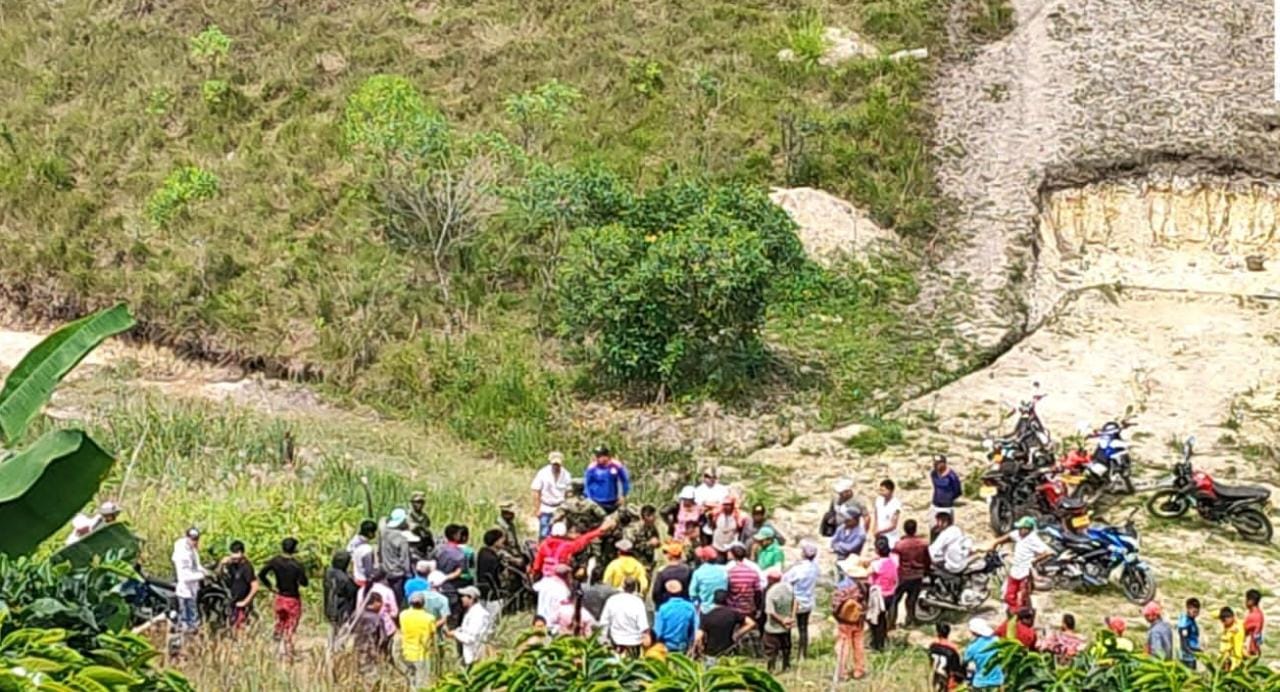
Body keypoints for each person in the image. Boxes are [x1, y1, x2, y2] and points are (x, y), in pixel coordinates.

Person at [258, 537, 309, 658]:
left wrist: (270, 586)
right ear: (295, 549)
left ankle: (275, 649)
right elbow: (304, 583)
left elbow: (261, 574)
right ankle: (288, 651)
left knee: (280, 622)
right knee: (290, 625)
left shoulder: (275, 561)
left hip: (280, 596)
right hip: (293, 598)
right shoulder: (297, 565)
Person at [988, 516, 1052, 611]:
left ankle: (1024, 613)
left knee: (1024, 596)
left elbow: (1048, 552)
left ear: (1028, 529)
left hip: (1025, 572)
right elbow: (1008, 537)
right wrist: (995, 544)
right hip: (1015, 571)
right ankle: (1013, 611)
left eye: (1022, 528)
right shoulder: (1018, 534)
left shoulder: (1033, 539)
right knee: (1009, 596)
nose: (1020, 530)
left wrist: (1034, 561)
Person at [530, 516, 615, 578]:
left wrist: (533, 573)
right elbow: (586, 538)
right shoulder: (569, 546)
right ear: (565, 533)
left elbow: (537, 566)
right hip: (561, 579)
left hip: (546, 579)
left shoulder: (544, 545)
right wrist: (600, 530)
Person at [833, 557, 868, 681]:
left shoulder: (843, 585)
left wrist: (836, 614)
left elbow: (836, 603)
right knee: (858, 643)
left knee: (843, 644)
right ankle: (859, 669)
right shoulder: (864, 585)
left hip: (844, 620)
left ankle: (842, 671)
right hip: (859, 618)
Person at [784, 541, 819, 660]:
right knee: (803, 627)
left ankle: (786, 651)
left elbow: (786, 580)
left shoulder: (798, 569)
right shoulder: (815, 567)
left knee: (788, 625)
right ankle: (802, 653)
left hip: (796, 600)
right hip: (808, 600)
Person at [892, 519, 930, 626]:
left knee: (895, 600)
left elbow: (895, 561)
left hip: (904, 575)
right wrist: (926, 570)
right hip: (918, 575)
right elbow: (927, 559)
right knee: (912, 600)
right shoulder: (923, 543)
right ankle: (910, 621)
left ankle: (891, 623)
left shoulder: (899, 545)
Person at [599, 578, 649, 656]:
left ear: (623, 586)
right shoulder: (638, 602)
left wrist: (603, 639)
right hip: (634, 643)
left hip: (616, 642)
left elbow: (604, 622)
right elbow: (643, 625)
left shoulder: (612, 600)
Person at [171, 527, 207, 634]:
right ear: (187, 538)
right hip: (185, 589)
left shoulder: (192, 550)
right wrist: (201, 575)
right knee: (186, 618)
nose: (194, 541)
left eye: (196, 539)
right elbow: (184, 576)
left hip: (193, 588)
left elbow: (197, 565)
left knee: (193, 615)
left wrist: (205, 571)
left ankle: (193, 631)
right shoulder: (182, 554)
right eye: (192, 539)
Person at [218, 540, 258, 630]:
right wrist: (221, 565)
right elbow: (220, 576)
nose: (235, 560)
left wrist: (246, 602)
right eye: (233, 557)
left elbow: (255, 586)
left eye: (237, 557)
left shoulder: (247, 567)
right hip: (232, 601)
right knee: (231, 626)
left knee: (241, 627)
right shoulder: (231, 564)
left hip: (242, 603)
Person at [435, 524, 470, 628]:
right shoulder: (460, 554)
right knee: (452, 610)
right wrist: (446, 577)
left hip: (436, 584)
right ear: (455, 536)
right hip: (451, 586)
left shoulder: (438, 549)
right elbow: (459, 572)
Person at [866, 536, 898, 649]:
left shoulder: (877, 564)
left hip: (879, 596)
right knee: (882, 619)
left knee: (875, 621)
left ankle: (876, 644)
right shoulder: (892, 561)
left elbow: (865, 573)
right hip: (890, 594)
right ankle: (883, 639)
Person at [762, 568, 796, 673]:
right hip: (786, 627)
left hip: (773, 627)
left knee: (771, 650)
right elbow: (796, 601)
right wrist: (791, 618)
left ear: (769, 580)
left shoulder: (771, 592)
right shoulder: (788, 587)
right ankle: (786, 666)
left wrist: (782, 621)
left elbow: (770, 612)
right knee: (786, 648)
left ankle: (771, 669)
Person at [323, 550, 358, 651]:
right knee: (342, 633)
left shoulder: (328, 572)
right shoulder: (344, 578)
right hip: (341, 609)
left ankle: (330, 652)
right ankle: (338, 652)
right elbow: (351, 592)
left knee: (331, 632)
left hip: (329, 608)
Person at [531, 452, 571, 539]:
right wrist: (537, 509)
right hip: (546, 507)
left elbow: (568, 493)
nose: (556, 466)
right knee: (544, 533)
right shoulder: (543, 473)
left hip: (560, 507)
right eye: (554, 464)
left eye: (558, 464)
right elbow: (536, 491)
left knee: (559, 533)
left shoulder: (566, 475)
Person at [400, 590, 436, 688]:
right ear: (423, 603)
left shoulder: (403, 615)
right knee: (422, 682)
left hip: (406, 652)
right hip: (421, 653)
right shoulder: (429, 618)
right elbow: (433, 634)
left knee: (411, 679)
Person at [449, 586, 491, 667]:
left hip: (475, 657)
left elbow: (470, 638)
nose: (461, 599)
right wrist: (457, 631)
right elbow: (466, 629)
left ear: (471, 598)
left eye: (463, 596)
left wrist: (455, 634)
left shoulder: (478, 614)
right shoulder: (471, 612)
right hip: (469, 656)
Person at [652, 580, 697, 655]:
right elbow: (694, 628)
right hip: (683, 646)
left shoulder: (663, 608)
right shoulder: (690, 607)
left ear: (667, 593)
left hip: (666, 647)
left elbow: (658, 632)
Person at [583, 445, 630, 513]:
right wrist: (589, 499)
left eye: (601, 456)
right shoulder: (592, 468)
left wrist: (623, 495)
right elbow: (587, 484)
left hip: (612, 500)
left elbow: (625, 481)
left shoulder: (616, 465)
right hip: (596, 501)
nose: (599, 459)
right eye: (597, 456)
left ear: (607, 456)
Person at [380, 509, 414, 600]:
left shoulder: (384, 533)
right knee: (398, 599)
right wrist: (409, 575)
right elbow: (404, 559)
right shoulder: (401, 538)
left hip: (386, 571)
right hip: (398, 573)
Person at [353, 592, 388, 680]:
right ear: (376, 602)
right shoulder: (377, 619)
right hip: (371, 650)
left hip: (357, 649)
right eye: (381, 602)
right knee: (371, 676)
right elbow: (383, 638)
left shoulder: (356, 616)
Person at [364, 568, 401, 649]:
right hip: (386, 628)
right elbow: (395, 612)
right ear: (384, 578)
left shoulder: (364, 590)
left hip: (366, 626)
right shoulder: (388, 591)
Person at [964, 617, 1004, 690]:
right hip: (997, 681)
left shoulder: (972, 647)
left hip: (980, 683)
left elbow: (965, 660)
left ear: (973, 632)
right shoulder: (996, 640)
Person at [928, 510, 972, 576]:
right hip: (962, 563)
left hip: (953, 567)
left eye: (942, 521)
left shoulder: (945, 534)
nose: (940, 524)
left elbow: (932, 550)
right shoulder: (956, 529)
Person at [725, 544, 762, 620]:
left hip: (733, 608)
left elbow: (726, 589)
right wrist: (758, 607)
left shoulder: (730, 572)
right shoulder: (753, 572)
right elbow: (758, 592)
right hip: (748, 608)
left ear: (733, 555)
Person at [534, 564, 574, 632]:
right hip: (554, 626)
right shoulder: (562, 590)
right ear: (566, 576)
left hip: (541, 622)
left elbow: (535, 587)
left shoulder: (545, 582)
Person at [690, 546, 728, 614]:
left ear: (702, 559)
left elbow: (692, 593)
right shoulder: (724, 570)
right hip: (723, 608)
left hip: (706, 610)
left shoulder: (698, 573)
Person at [652, 542, 692, 608]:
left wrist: (660, 606)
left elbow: (656, 593)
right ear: (681, 555)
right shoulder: (688, 570)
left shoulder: (662, 572)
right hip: (685, 606)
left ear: (669, 556)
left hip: (667, 606)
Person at [928, 622, 965, 692]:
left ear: (937, 632)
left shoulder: (932, 646)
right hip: (949, 679)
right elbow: (957, 666)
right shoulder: (953, 648)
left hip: (936, 676)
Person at [929, 455, 962, 526]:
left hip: (947, 506)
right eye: (934, 463)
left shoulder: (951, 476)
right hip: (935, 504)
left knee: (946, 526)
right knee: (934, 526)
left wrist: (949, 498)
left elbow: (958, 491)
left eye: (938, 463)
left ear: (943, 463)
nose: (935, 465)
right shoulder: (934, 474)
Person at [475, 530, 507, 600]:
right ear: (495, 541)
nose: (504, 542)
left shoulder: (483, 552)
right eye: (501, 540)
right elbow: (501, 574)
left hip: (483, 587)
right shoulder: (491, 558)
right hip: (491, 590)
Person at [347, 520, 378, 590]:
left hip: (356, 577)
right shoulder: (364, 547)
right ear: (370, 533)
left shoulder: (358, 541)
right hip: (362, 578)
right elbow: (368, 569)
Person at [872, 479, 902, 548]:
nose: (880, 492)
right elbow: (876, 516)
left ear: (890, 490)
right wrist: (875, 529)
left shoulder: (896, 504)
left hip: (890, 536)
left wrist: (880, 531)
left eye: (883, 490)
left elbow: (893, 524)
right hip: (879, 535)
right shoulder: (879, 500)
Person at [407, 491, 435, 561]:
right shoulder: (408, 515)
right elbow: (412, 528)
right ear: (412, 503)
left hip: (423, 546)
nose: (419, 505)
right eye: (417, 502)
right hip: (412, 546)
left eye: (421, 502)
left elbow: (427, 528)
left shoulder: (425, 517)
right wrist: (420, 527)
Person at [1178, 597, 1202, 669]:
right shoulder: (1185, 623)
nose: (1195, 614)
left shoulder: (1192, 620)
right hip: (1187, 657)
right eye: (1194, 611)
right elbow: (1184, 643)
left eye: (1197, 612)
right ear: (1188, 609)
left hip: (1192, 655)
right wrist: (1195, 652)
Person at [1219, 606, 1246, 671]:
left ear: (1233, 617)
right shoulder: (1228, 626)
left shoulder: (1236, 629)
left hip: (1233, 659)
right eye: (1223, 619)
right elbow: (1213, 614)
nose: (1225, 621)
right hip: (1225, 658)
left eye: (1228, 617)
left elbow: (1236, 649)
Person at [1244, 589, 1265, 658]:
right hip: (1255, 648)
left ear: (1251, 601)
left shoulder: (1252, 616)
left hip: (1250, 649)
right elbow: (1258, 633)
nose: (1245, 602)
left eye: (1246, 600)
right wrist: (1258, 646)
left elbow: (1243, 631)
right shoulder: (1260, 613)